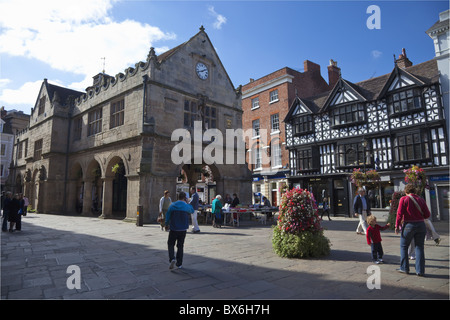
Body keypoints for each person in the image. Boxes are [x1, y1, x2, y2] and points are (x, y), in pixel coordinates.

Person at [395, 184, 430, 276]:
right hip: (421, 225)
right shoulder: (421, 200)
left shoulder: (404, 199)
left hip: (408, 225)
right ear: (414, 191)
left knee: (404, 246)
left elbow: (399, 214)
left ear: (406, 191)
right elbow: (427, 215)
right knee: (419, 247)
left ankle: (404, 268)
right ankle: (420, 271)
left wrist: (396, 226)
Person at [165, 192, 193, 270]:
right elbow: (192, 210)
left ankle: (172, 258)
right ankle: (179, 263)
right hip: (183, 229)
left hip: (174, 228)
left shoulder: (172, 205)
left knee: (170, 244)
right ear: (185, 198)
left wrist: (166, 224)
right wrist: (187, 203)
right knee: (180, 246)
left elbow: (168, 216)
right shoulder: (186, 206)